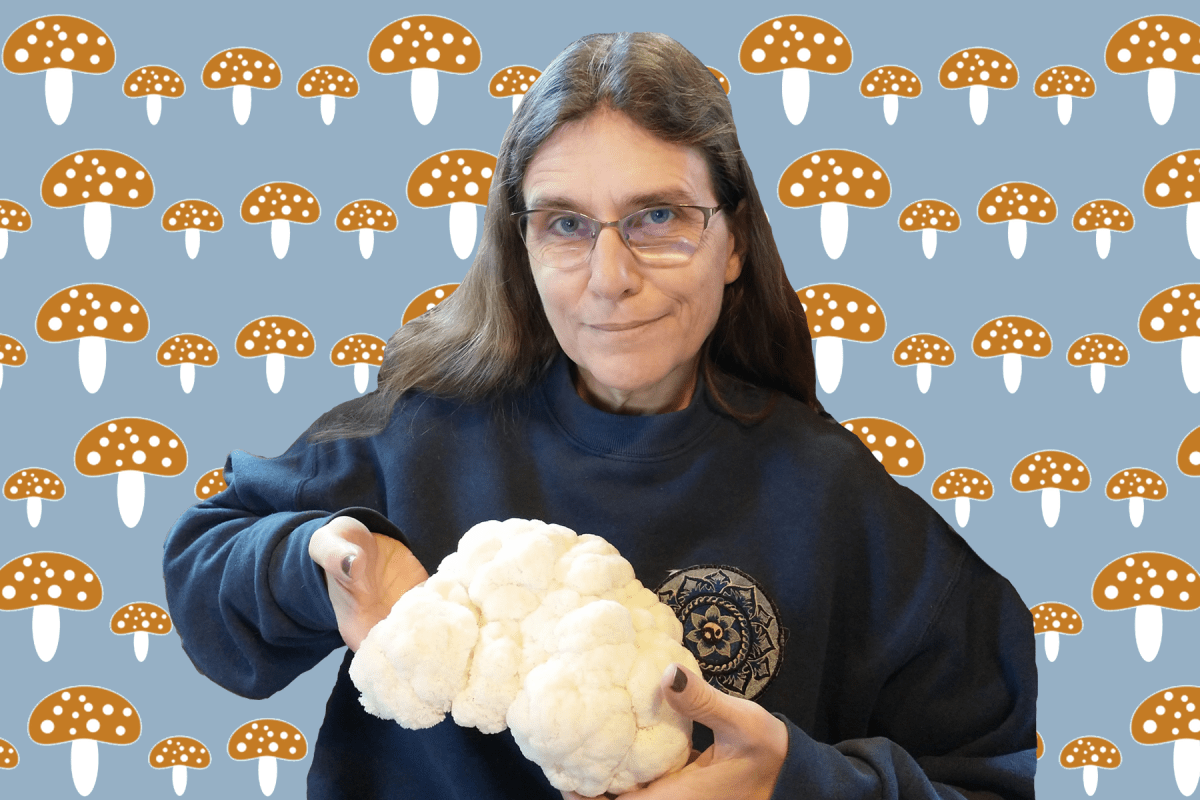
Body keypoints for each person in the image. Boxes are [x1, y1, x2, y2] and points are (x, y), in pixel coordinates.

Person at [163, 31, 1037, 799]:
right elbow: (206, 564)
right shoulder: (418, 432)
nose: (610, 277)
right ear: (523, 246)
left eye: (659, 217)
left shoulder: (840, 499)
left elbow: (982, 773)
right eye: (566, 225)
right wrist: (319, 558)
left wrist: (794, 783)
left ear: (733, 243)